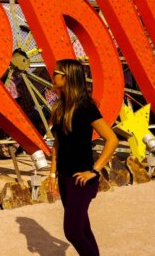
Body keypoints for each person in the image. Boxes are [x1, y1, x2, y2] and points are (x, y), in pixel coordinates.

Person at [48, 59, 118, 256]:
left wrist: (94, 170)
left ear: (67, 76)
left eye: (56, 73)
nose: (52, 76)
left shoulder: (86, 106)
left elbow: (112, 139)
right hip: (64, 177)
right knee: (83, 228)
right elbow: (58, 142)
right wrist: (53, 173)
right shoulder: (61, 106)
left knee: (73, 231)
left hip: (82, 178)